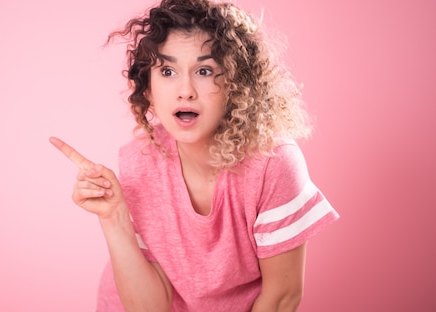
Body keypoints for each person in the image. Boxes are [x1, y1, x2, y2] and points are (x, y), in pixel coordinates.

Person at [50, 0, 339, 310]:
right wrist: (113, 218)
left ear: (235, 85)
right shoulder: (139, 163)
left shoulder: (273, 163)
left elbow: (282, 298)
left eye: (204, 70)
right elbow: (150, 307)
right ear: (148, 88)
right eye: (168, 71)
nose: (185, 90)